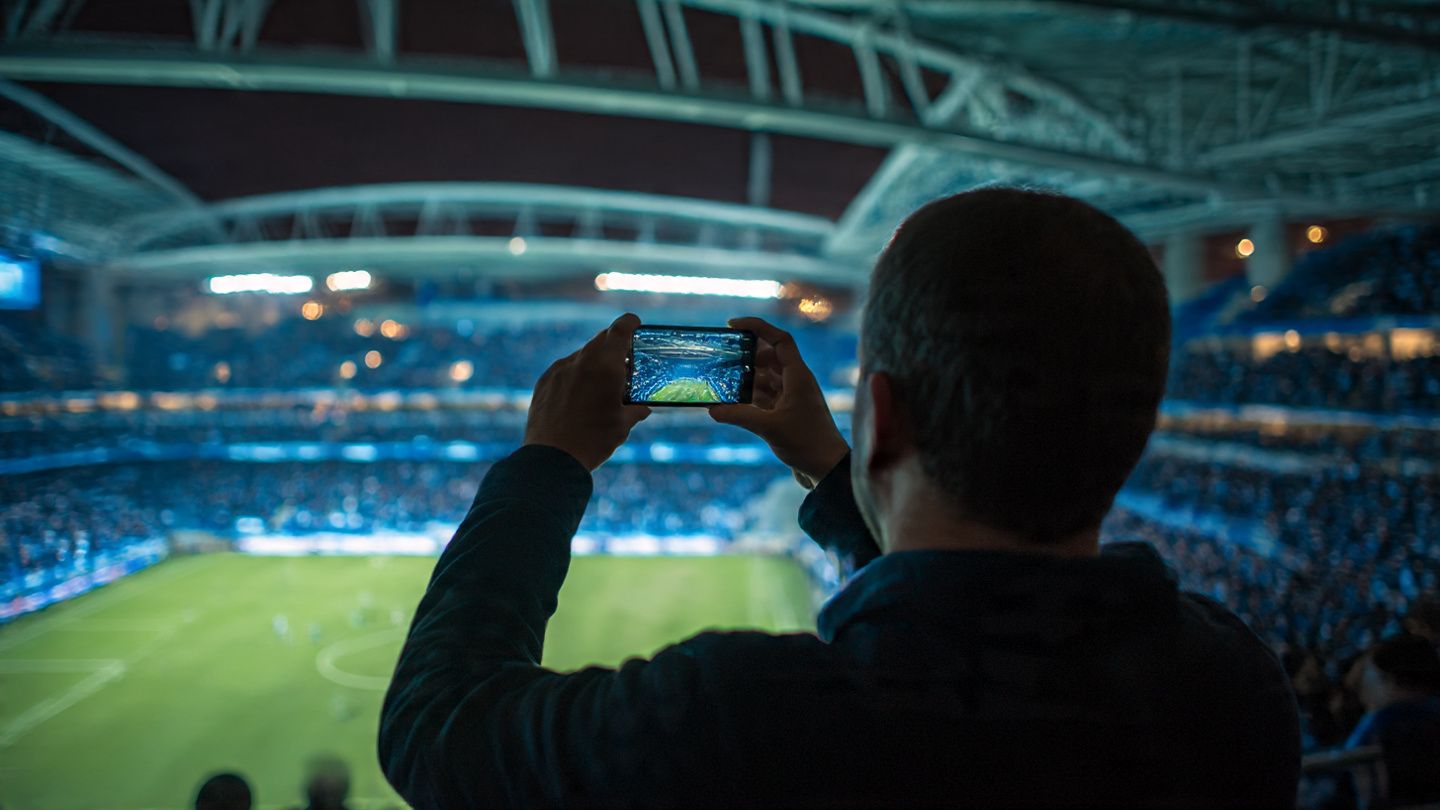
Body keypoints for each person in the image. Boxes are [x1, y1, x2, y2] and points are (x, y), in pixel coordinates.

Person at [379, 188, 1300, 808]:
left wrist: (549, 463)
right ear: (1135, 428)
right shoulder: (1230, 690)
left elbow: (436, 726)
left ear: (882, 416)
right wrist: (829, 463)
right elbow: (986, 629)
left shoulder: (742, 718)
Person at [1346, 633, 1440, 807]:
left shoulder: (1376, 727)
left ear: (1388, 680)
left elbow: (1366, 796)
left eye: (1367, 674)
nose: (1361, 686)